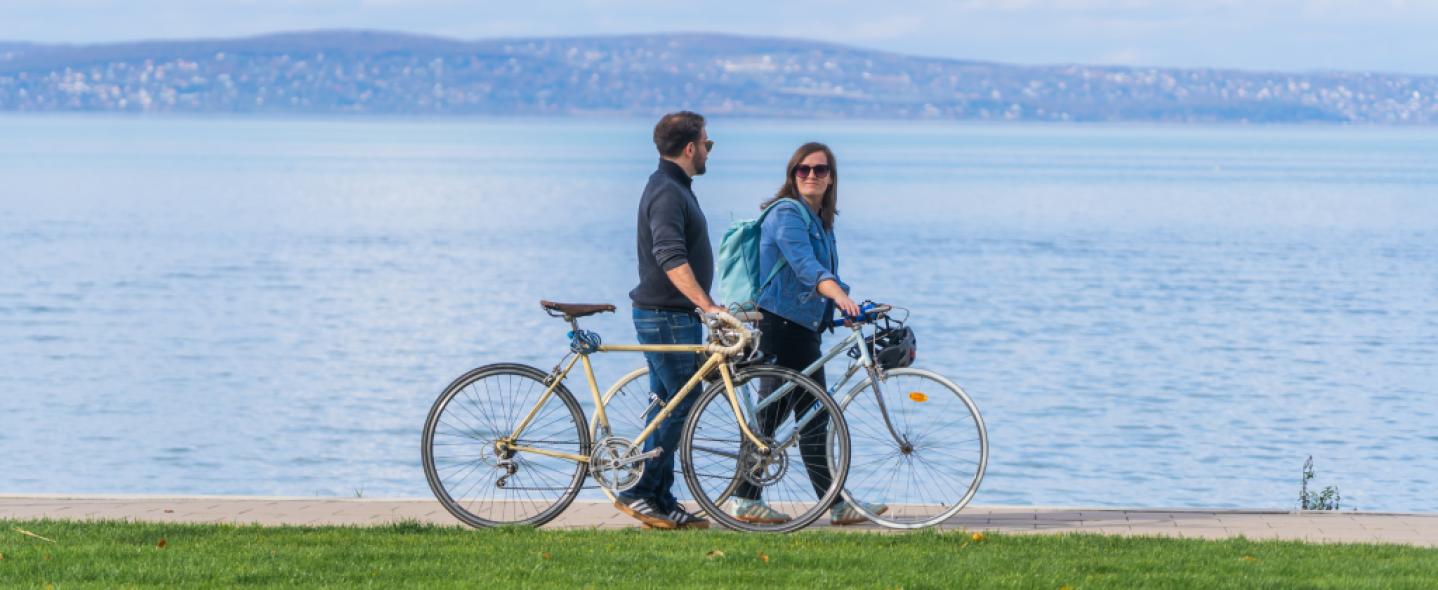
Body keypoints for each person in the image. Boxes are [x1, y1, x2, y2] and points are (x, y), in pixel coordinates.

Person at [724, 142, 889, 526]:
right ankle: (743, 498)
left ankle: (834, 503)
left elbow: (823, 274)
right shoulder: (786, 214)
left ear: (831, 178)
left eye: (820, 170)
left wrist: (847, 308)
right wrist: (842, 299)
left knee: (813, 418)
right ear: (792, 175)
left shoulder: (821, 220)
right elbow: (805, 268)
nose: (812, 175)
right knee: (773, 418)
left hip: (804, 329)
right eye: (804, 170)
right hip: (779, 326)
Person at [615, 111, 725, 530]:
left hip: (672, 316)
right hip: (667, 316)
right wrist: (708, 306)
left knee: (665, 408)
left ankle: (658, 498)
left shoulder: (673, 186)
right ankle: (640, 492)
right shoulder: (667, 191)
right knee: (682, 404)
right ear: (691, 148)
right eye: (708, 145)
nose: (708, 153)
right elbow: (669, 255)